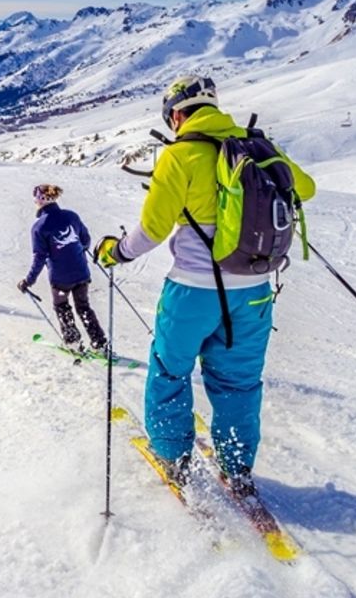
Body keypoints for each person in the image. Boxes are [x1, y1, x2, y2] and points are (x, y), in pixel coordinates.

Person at [94, 75, 315, 498]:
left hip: (192, 291)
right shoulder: (257, 147)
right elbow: (306, 189)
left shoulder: (180, 156)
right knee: (239, 383)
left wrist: (116, 252)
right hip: (254, 292)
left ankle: (174, 457)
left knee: (170, 370)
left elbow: (152, 230)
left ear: (176, 114)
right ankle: (237, 468)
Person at [17, 184, 106, 351]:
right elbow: (85, 240)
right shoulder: (71, 216)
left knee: (62, 307)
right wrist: (75, 252)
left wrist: (28, 281)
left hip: (60, 278)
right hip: (81, 272)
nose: (35, 200)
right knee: (84, 306)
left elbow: (39, 257)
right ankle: (99, 343)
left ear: (41, 200)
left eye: (36, 197)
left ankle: (73, 342)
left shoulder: (39, 227)